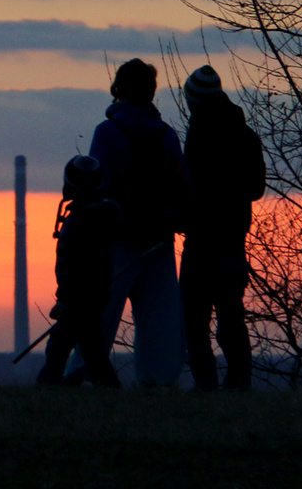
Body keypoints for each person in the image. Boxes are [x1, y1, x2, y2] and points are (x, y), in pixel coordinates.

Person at [90, 57, 190, 387]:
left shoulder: (107, 132)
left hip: (116, 241)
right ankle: (158, 385)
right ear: (152, 91)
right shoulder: (167, 135)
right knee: (159, 324)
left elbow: (96, 186)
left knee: (99, 318)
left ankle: (82, 378)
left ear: (118, 89)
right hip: (159, 242)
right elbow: (183, 189)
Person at [179, 64, 265, 390]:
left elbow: (190, 187)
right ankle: (239, 383)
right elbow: (256, 189)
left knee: (195, 321)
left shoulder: (198, 133)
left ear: (195, 100)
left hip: (201, 240)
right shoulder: (247, 136)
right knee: (231, 316)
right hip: (233, 239)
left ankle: (206, 388)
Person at [35, 155, 122, 387]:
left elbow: (74, 267)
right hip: (94, 295)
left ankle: (48, 389)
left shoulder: (81, 221)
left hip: (78, 299)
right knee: (91, 348)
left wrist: (65, 302)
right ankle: (106, 388)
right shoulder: (102, 215)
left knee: (60, 347)